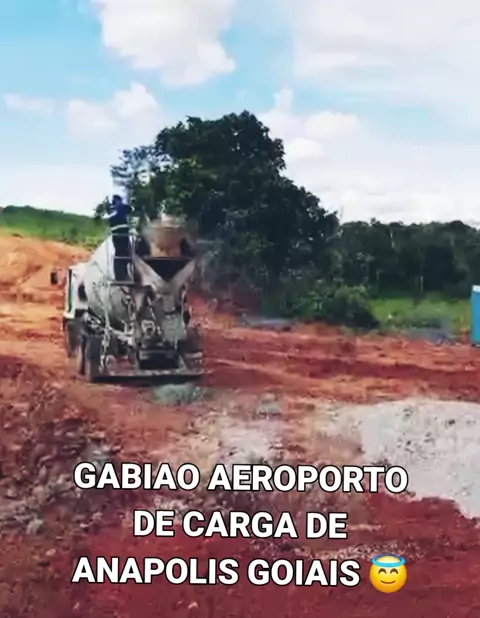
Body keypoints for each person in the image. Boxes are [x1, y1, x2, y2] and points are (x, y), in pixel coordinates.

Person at [106, 194, 132, 281]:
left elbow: (128, 209)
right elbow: (128, 209)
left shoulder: (115, 210)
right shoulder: (117, 210)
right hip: (120, 236)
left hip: (121, 236)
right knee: (121, 255)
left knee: (123, 254)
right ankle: (120, 276)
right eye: (119, 201)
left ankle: (123, 274)